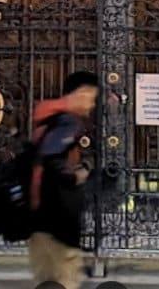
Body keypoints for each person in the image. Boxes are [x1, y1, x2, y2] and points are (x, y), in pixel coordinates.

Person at [27, 70, 99, 289]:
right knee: (66, 278)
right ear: (80, 93)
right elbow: (53, 162)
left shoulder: (49, 115)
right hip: (57, 215)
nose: (92, 104)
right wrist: (78, 174)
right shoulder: (67, 121)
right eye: (91, 97)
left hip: (39, 213)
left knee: (46, 278)